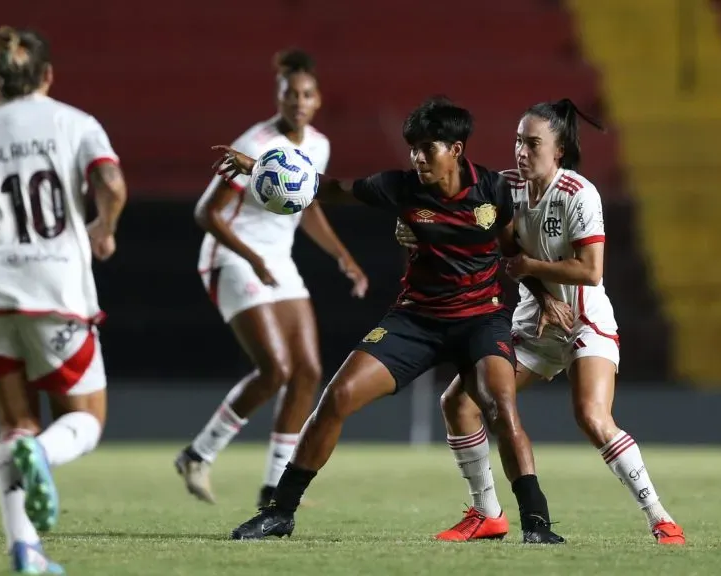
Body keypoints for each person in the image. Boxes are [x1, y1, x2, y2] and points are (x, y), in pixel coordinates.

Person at [217, 97, 564, 544]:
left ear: (456, 149)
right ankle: (280, 512)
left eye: (427, 148)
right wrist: (260, 166)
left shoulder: (494, 190)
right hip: (415, 320)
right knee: (337, 397)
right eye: (413, 148)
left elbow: (513, 253)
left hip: (481, 320)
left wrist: (543, 295)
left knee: (501, 407)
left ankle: (536, 524)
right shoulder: (399, 187)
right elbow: (332, 188)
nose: (417, 157)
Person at [396, 98, 686, 545]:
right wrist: (417, 226)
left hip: (583, 320)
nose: (521, 152)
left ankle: (660, 517)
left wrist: (531, 269)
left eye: (533, 143)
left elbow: (590, 270)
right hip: (533, 324)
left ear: (559, 152)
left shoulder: (578, 194)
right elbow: (461, 217)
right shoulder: (504, 187)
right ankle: (486, 513)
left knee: (592, 416)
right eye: (518, 142)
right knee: (459, 403)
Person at [0, 26, 127, 573]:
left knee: (15, 423)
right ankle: (41, 456)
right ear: (47, 76)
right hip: (52, 288)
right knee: (86, 419)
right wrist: (102, 228)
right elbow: (110, 182)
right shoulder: (74, 121)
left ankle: (26, 550)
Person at [176, 49, 368, 507]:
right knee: (275, 369)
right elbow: (207, 212)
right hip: (232, 254)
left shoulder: (317, 145)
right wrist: (254, 259)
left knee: (307, 372)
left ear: (317, 100)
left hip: (277, 258)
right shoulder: (257, 143)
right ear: (278, 97)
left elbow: (308, 207)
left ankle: (273, 489)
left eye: (306, 94)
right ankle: (198, 455)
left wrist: (344, 256)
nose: (298, 101)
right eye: (290, 94)